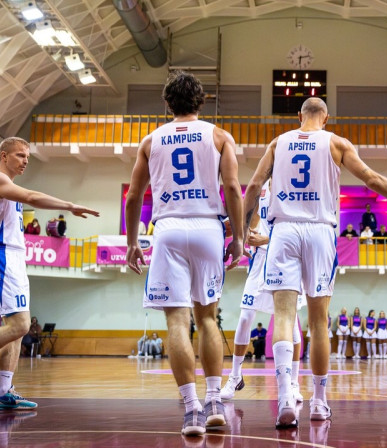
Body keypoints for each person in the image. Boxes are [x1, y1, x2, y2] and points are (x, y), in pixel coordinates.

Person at [241, 97, 387, 428]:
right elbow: (372, 179)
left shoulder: (279, 143)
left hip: (283, 232)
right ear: (326, 118)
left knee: (284, 317)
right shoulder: (336, 142)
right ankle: (319, 402)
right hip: (319, 232)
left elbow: (252, 188)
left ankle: (286, 399)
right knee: (319, 323)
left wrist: (246, 229)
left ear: (299, 117)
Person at [124, 71, 244, 437]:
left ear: (167, 103)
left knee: (176, 321)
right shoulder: (220, 136)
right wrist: (238, 236)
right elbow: (234, 189)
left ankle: (191, 409)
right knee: (207, 319)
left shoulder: (151, 140)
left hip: (169, 229)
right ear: (201, 101)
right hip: (208, 227)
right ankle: (213, 402)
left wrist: (132, 242)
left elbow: (133, 196)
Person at [0, 136, 98, 411]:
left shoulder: (7, 183)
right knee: (21, 325)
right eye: (20, 155)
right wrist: (69, 206)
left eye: (27, 156)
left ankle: (3, 390)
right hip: (1, 254)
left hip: (12, 256)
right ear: (3, 156)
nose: (25, 160)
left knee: (13, 328)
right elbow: (32, 196)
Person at [220, 179, 305, 403]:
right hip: (260, 263)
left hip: (287, 259)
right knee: (246, 316)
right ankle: (235, 376)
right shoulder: (263, 187)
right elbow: (250, 218)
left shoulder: (296, 187)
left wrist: (266, 238)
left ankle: (294, 383)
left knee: (291, 323)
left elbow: (301, 230)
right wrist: (244, 237)